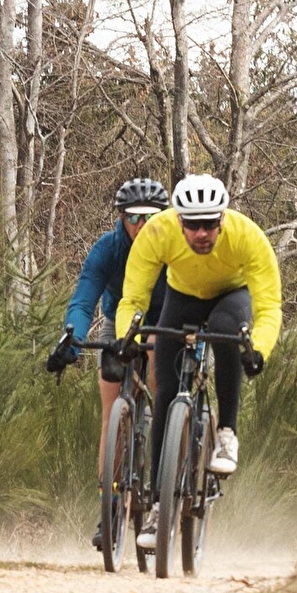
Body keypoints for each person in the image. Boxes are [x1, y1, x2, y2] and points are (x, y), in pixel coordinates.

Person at [113, 174, 280, 549]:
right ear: (178, 221)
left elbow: (269, 306)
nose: (202, 233)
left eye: (210, 224)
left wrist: (259, 350)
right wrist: (128, 336)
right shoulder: (158, 233)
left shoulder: (248, 237)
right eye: (193, 225)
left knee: (226, 331)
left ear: (223, 219)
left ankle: (226, 435)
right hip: (181, 296)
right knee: (167, 393)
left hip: (231, 295)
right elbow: (133, 300)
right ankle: (159, 507)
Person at [46, 177, 170, 549]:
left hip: (163, 320)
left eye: (152, 217)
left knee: (159, 371)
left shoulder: (173, 247)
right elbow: (84, 299)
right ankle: (111, 506)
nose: (142, 226)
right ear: (120, 217)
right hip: (119, 321)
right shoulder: (107, 248)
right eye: (134, 217)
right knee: (110, 408)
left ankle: (165, 474)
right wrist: (71, 336)